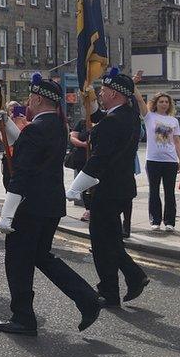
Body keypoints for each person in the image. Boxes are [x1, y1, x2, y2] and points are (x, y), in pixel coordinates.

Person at [0, 74, 102, 336]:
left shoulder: (36, 128)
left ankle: (23, 317)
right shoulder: (55, 125)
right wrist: (7, 125)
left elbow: (23, 171)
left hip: (29, 207)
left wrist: (7, 215)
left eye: (31, 97)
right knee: (41, 256)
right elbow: (30, 147)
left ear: (38, 98)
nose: (28, 101)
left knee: (18, 261)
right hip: (49, 205)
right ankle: (86, 298)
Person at [66, 68, 149, 308]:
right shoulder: (129, 116)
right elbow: (101, 117)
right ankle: (126, 280)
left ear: (114, 93)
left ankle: (116, 286)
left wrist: (74, 188)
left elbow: (98, 160)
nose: (101, 94)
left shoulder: (112, 122)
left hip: (108, 189)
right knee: (110, 239)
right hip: (122, 188)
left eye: (103, 90)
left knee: (102, 242)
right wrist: (89, 96)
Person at [132, 84, 180, 232]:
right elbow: (140, 101)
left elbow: (177, 141)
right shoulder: (149, 116)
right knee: (154, 191)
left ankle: (170, 222)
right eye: (161, 101)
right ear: (156, 103)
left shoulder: (174, 121)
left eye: (166, 102)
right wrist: (134, 85)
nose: (164, 104)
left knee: (169, 192)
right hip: (153, 160)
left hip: (170, 161)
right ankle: (155, 220)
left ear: (169, 104)